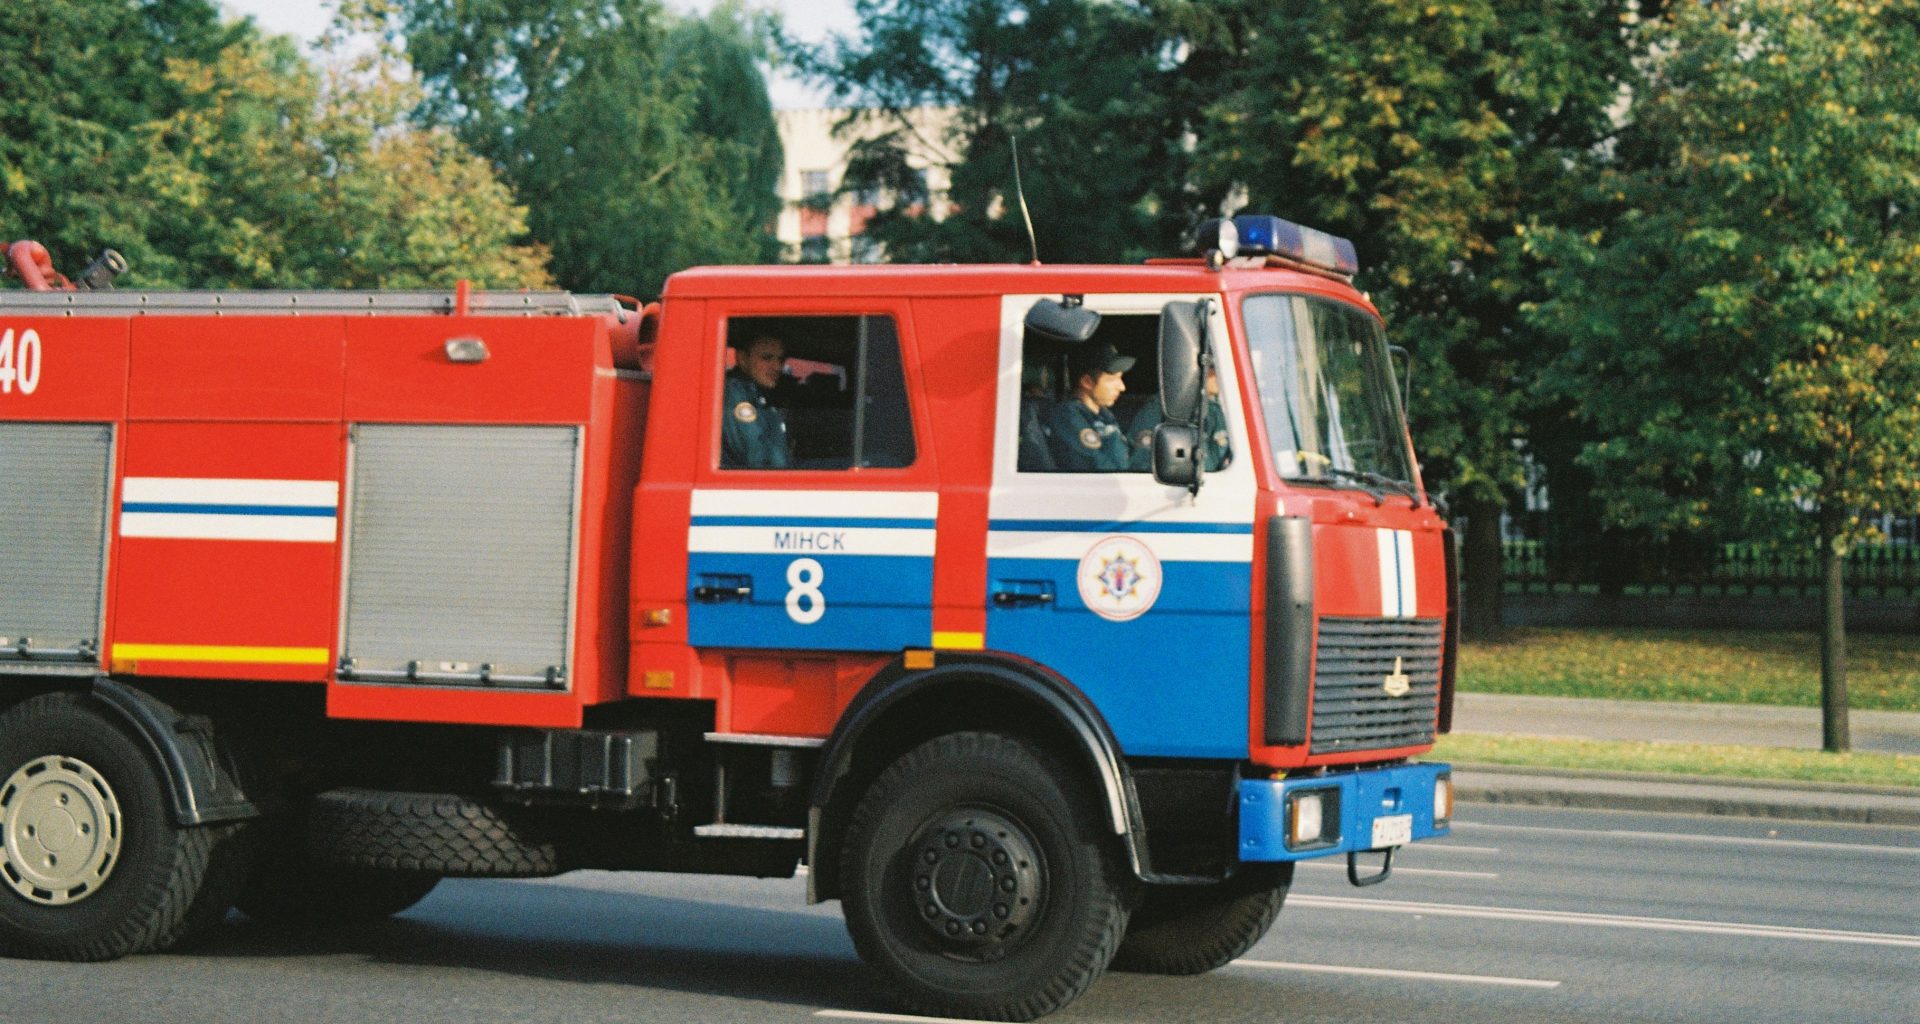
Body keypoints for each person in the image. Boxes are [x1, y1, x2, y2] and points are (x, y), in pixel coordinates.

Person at [1046, 345, 1136, 472]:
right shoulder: (1068, 416)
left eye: (1120, 378)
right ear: (1087, 382)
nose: (1122, 387)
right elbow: (1098, 468)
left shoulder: (1104, 415)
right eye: (1112, 379)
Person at [1129, 366, 1231, 472]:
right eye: (1212, 368)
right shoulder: (1161, 411)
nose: (1219, 373)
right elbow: (1144, 466)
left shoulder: (1216, 410)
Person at [721, 333, 792, 469]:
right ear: (742, 359)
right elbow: (758, 458)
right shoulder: (735, 394)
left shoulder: (759, 395)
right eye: (767, 358)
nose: (777, 367)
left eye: (781, 359)